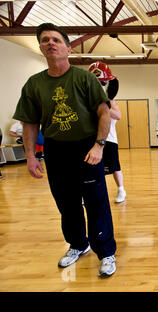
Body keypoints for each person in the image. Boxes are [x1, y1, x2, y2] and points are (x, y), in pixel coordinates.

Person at [13, 23, 117, 277]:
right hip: (56, 149)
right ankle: (78, 245)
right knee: (66, 203)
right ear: (41, 47)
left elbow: (104, 112)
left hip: (86, 147)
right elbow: (29, 121)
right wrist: (30, 156)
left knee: (96, 202)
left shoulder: (84, 78)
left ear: (68, 48)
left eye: (56, 40)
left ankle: (106, 252)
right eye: (45, 40)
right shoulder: (34, 84)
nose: (51, 43)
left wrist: (99, 145)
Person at [88, 61, 126, 203]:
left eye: (102, 83)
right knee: (91, 166)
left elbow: (118, 116)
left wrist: (100, 104)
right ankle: (91, 193)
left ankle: (121, 189)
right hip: (91, 139)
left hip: (109, 140)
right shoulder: (87, 99)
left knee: (114, 167)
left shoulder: (110, 101)